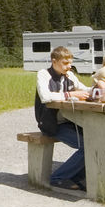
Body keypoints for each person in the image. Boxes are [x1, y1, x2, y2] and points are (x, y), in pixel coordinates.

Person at [34, 46, 92, 190]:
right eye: (65, 63)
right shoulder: (44, 74)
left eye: (70, 63)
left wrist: (99, 90)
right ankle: (58, 178)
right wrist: (70, 95)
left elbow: (84, 89)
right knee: (87, 146)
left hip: (70, 122)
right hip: (52, 123)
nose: (69, 66)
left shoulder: (70, 76)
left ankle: (76, 178)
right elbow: (45, 97)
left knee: (97, 140)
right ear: (54, 61)